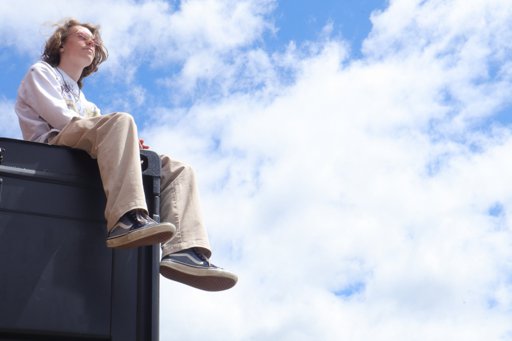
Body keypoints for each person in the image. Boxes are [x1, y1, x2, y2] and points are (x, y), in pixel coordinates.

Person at [14, 18, 237, 292]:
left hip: (84, 147)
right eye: (83, 37)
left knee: (177, 168)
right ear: (61, 44)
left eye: (94, 41)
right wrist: (116, 130)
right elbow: (62, 121)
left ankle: (184, 251)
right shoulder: (42, 72)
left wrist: (127, 142)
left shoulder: (87, 103)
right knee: (121, 121)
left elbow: (99, 128)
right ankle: (125, 220)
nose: (92, 43)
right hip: (54, 148)